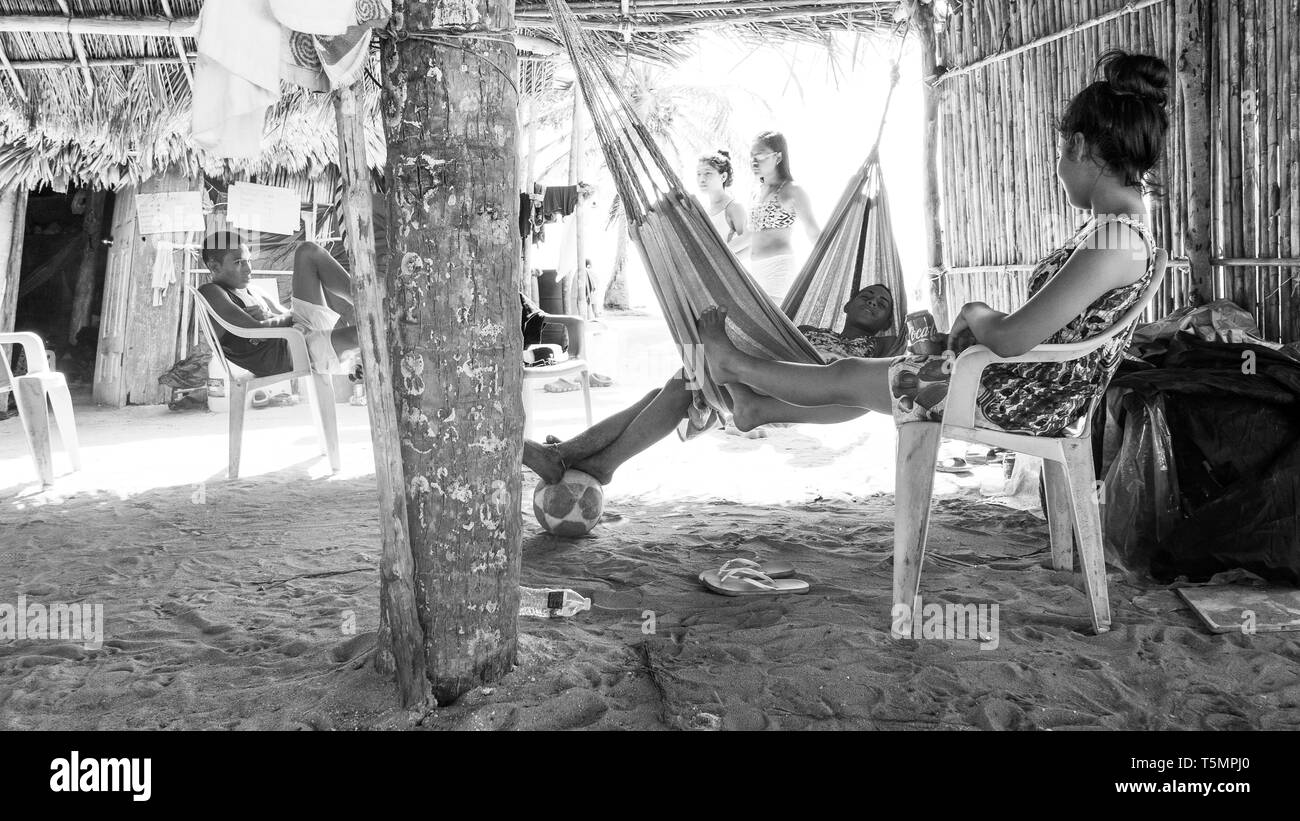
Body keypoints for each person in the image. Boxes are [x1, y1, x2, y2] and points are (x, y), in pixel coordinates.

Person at [695, 50, 1167, 440]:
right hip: (1027, 387)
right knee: (867, 374)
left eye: (1061, 154)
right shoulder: (1121, 232)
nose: (1060, 169)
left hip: (1017, 398)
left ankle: (733, 364)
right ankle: (758, 406)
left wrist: (977, 312)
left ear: (1081, 147)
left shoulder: (1114, 239)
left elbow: (1011, 337)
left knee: (849, 374)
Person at [522, 284, 905, 485]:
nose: (873, 302)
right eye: (866, 296)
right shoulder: (807, 331)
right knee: (671, 389)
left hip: (803, 391)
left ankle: (575, 457)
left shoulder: (877, 348)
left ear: (888, 322)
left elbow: (904, 352)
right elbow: (772, 344)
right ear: (845, 306)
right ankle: (588, 459)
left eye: (883, 304)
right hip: (764, 373)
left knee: (683, 382)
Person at [197, 232, 359, 378]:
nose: (248, 269)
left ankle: (364, 302)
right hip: (291, 353)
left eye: (248, 261)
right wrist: (274, 319)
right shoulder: (211, 292)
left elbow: (289, 317)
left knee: (308, 251)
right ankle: (363, 345)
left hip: (298, 333)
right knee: (364, 333)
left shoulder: (253, 290)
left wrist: (270, 318)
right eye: (239, 262)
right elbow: (258, 332)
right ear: (214, 267)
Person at [747, 130, 821, 300]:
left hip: (778, 270)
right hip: (754, 271)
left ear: (778, 158)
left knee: (772, 323)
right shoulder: (755, 192)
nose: (754, 161)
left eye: (760, 155)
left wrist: (828, 269)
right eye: (752, 156)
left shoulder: (792, 190)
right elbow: (750, 237)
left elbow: (813, 233)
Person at [696, 149, 750, 259]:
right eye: (699, 174)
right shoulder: (704, 210)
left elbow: (748, 238)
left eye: (708, 173)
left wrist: (718, 258)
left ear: (723, 177)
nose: (702, 179)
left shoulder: (733, 207)